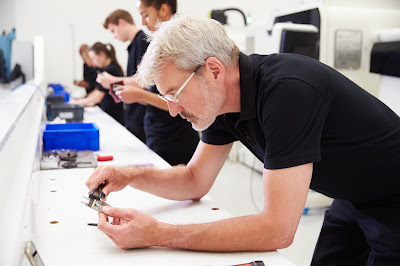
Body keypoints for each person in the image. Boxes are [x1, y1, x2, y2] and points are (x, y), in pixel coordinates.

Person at [86, 16, 400, 264]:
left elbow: (277, 229)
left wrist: (161, 234)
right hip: (351, 193)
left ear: (213, 70)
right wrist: (129, 175)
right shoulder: (221, 104)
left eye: (174, 94)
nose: (172, 110)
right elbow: (195, 180)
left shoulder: (287, 91)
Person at [97, 1, 199, 165]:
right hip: (158, 132)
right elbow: (155, 93)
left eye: (145, 15)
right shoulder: (158, 45)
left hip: (174, 137)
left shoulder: (179, 47)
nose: (143, 22)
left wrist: (137, 94)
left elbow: (177, 103)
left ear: (163, 9)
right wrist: (136, 96)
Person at [102, 9, 147, 143]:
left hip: (141, 117)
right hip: (134, 115)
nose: (114, 36)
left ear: (121, 23)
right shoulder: (133, 45)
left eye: (113, 30)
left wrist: (112, 81)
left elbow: (143, 81)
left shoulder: (142, 42)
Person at [71, 42, 125, 125]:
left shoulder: (110, 70)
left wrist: (78, 102)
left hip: (114, 114)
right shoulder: (106, 69)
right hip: (109, 111)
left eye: (93, 58)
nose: (93, 62)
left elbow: (98, 96)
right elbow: (98, 90)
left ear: (101, 54)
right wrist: (84, 100)